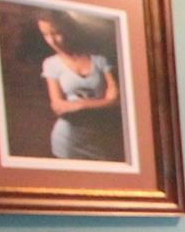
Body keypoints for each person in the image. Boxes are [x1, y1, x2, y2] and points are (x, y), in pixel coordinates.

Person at [37, 10, 123, 161]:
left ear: (69, 30)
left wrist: (81, 104)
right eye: (45, 35)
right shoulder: (51, 64)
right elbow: (57, 106)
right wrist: (101, 103)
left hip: (101, 138)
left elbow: (116, 100)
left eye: (56, 33)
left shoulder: (99, 60)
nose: (52, 41)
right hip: (67, 140)